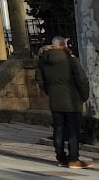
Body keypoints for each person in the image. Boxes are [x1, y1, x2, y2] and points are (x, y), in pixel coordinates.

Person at [36, 36, 91, 168]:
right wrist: (84, 96)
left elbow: (40, 80)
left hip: (55, 101)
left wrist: (51, 92)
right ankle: (73, 159)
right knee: (73, 130)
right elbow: (81, 80)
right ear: (63, 45)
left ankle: (61, 158)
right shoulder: (71, 60)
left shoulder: (43, 60)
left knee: (59, 129)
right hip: (72, 100)